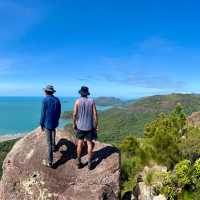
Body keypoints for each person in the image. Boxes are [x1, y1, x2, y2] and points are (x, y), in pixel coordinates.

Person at [73, 86, 98, 170]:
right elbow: (95, 115)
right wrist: (96, 125)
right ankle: (90, 163)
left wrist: (74, 124)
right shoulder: (91, 101)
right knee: (89, 144)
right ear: (87, 93)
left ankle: (79, 162)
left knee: (79, 143)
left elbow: (74, 114)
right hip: (89, 127)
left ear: (80, 93)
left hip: (80, 126)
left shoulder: (77, 101)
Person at [40, 85, 61, 168]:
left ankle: (50, 162)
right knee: (53, 131)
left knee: (48, 143)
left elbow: (43, 114)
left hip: (47, 123)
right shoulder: (57, 100)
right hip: (54, 122)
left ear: (46, 92)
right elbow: (59, 112)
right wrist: (56, 119)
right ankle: (54, 147)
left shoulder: (45, 100)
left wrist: (41, 124)